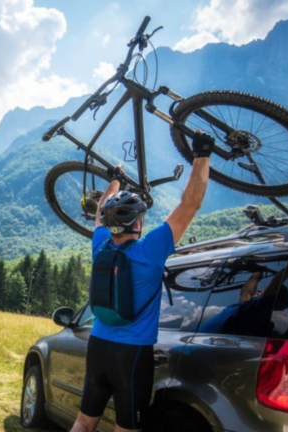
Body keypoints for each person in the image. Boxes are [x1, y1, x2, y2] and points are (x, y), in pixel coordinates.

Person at [70, 131, 214, 432]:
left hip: (99, 345)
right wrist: (202, 155)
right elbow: (190, 204)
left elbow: (99, 212)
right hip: (131, 354)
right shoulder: (150, 250)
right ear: (137, 222)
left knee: (84, 421)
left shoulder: (100, 246)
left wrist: (115, 181)